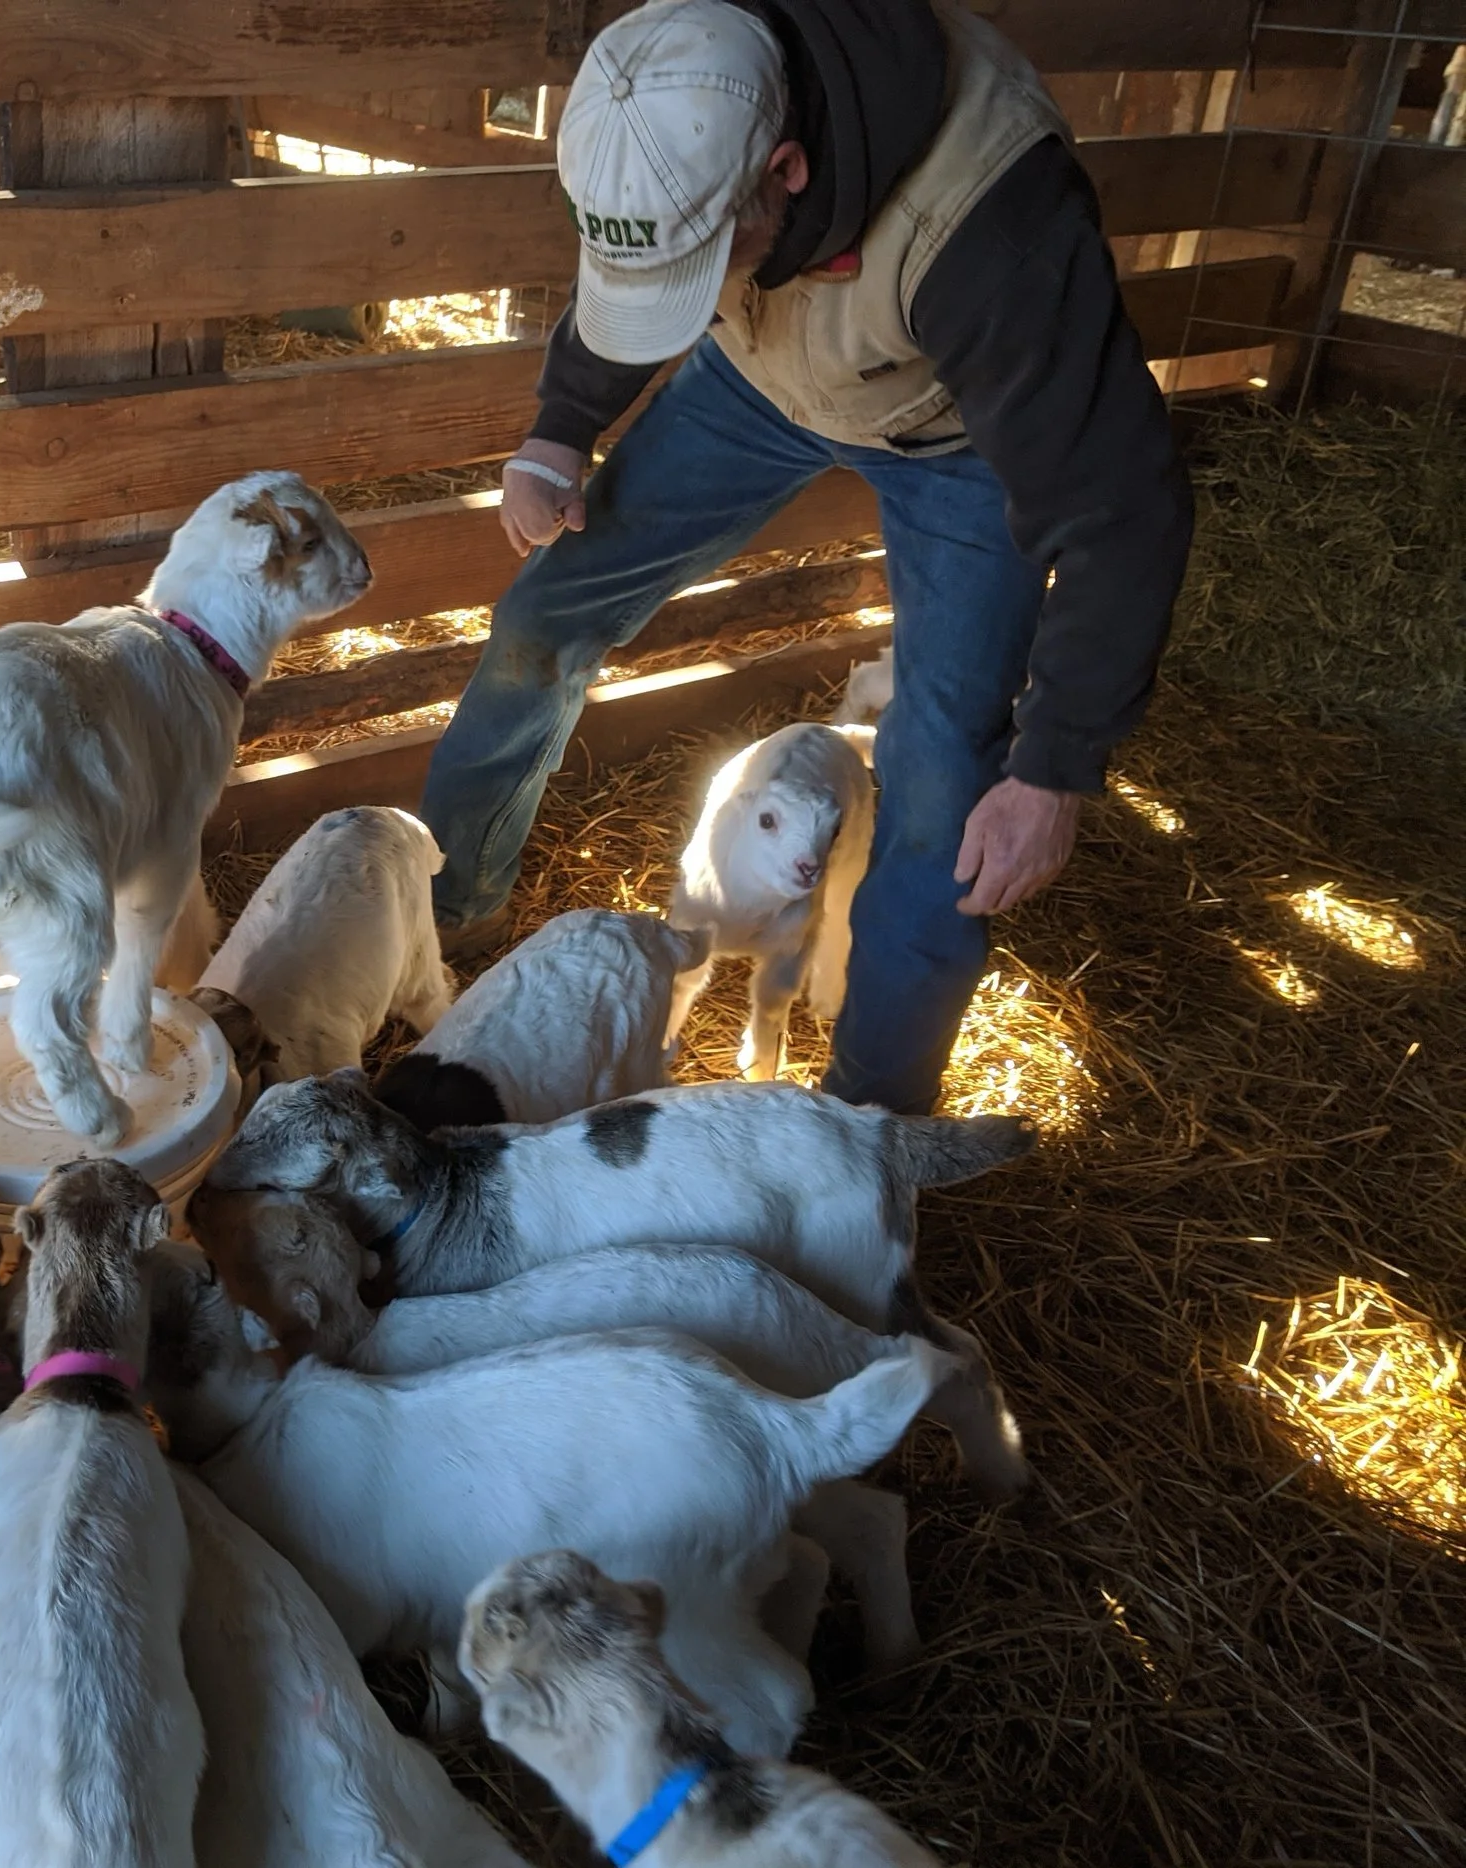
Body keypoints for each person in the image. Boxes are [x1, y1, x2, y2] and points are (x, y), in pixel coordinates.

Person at [419, 0, 1192, 1114]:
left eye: (703, 261)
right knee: (549, 607)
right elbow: (643, 258)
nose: (683, 284)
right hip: (758, 378)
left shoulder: (992, 226)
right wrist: (561, 425)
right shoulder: (680, 92)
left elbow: (1120, 510)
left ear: (785, 169)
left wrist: (1057, 764)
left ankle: (864, 1128)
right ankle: (449, 912)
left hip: (954, 438)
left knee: (942, 780)